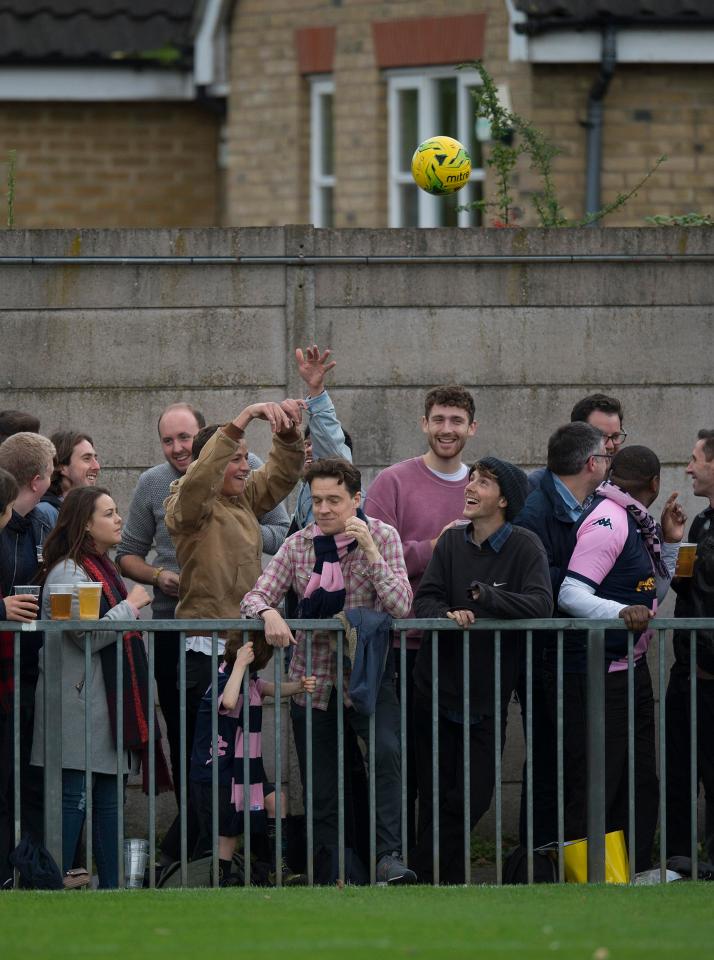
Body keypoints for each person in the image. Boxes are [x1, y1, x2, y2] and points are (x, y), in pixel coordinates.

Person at [241, 457, 415, 884]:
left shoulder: (383, 536)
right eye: (316, 500)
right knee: (321, 783)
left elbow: (401, 605)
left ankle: (387, 858)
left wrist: (371, 552)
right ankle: (333, 868)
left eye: (334, 500)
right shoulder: (298, 544)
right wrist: (268, 612)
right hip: (311, 679)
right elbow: (254, 595)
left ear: (356, 500)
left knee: (386, 759)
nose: (324, 509)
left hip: (369, 677)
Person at [116, 401, 290, 821]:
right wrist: (160, 576)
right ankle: (199, 846)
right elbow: (128, 553)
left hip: (238, 642)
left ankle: (241, 850)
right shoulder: (168, 489)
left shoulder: (239, 488)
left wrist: (288, 435)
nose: (177, 447)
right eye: (168, 440)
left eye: (186, 438)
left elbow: (283, 505)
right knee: (199, 752)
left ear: (201, 441)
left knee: (242, 753)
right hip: (190, 637)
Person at [162, 399, 304, 863]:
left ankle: (233, 860)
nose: (246, 466)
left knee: (241, 766)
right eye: (237, 458)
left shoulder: (242, 499)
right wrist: (241, 419)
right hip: (203, 657)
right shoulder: (187, 506)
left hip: (241, 656)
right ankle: (199, 859)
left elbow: (284, 476)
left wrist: (285, 433)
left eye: (247, 457)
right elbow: (198, 481)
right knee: (208, 769)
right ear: (216, 461)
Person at [411, 457, 552, 884]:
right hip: (434, 690)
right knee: (434, 796)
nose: (471, 486)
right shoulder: (452, 543)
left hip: (487, 696)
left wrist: (485, 597)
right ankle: (442, 886)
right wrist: (449, 613)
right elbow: (426, 600)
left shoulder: (526, 546)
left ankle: (421, 870)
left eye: (484, 482)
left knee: (473, 797)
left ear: (504, 499)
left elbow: (541, 605)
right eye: (472, 479)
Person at [31, 486, 169, 888]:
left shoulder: (103, 568)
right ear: (86, 525)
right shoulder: (68, 572)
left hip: (107, 705)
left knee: (110, 800)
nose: (119, 519)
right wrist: (132, 605)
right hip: (77, 705)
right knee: (73, 799)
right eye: (109, 513)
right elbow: (84, 636)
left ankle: (112, 889)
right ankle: (49, 884)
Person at [558, 446, 685, 870]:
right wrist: (618, 613)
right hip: (600, 674)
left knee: (639, 781)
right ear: (655, 484)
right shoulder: (610, 521)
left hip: (629, 669)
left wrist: (669, 544)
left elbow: (651, 598)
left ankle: (631, 872)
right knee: (600, 781)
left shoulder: (635, 522)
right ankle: (586, 878)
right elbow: (571, 593)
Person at [364, 384, 477, 846]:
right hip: (398, 647)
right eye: (438, 419)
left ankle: (437, 865)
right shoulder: (392, 481)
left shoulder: (483, 486)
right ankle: (395, 860)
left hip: (457, 646)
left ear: (472, 428)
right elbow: (363, 553)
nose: (446, 429)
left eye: (456, 421)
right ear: (424, 424)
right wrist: (434, 548)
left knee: (447, 768)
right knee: (399, 765)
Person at [513, 422, 610, 846]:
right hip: (547, 657)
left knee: (571, 759)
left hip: (567, 654)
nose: (609, 463)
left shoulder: (587, 505)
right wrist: (587, 580)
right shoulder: (537, 511)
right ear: (592, 463)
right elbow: (537, 582)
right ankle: (540, 856)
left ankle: (564, 853)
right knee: (551, 762)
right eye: (606, 456)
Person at [189, 633, 316, 886]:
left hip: (244, 768)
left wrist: (299, 687)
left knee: (276, 801)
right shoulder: (224, 679)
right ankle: (222, 878)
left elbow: (270, 688)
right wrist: (239, 664)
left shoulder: (251, 682)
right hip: (217, 770)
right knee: (228, 831)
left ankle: (277, 868)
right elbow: (229, 700)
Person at [0, 431, 55, 878]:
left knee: (27, 778)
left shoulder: (43, 524)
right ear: (38, 479)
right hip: (6, 672)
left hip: (32, 672)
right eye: (53, 471)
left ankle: (27, 868)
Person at [666, 429, 714, 860]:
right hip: (687, 670)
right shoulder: (702, 521)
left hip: (708, 673)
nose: (688, 468)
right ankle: (682, 859)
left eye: (696, 459)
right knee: (680, 768)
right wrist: (676, 541)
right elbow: (687, 588)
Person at [291, 344, 355, 531]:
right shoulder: (305, 489)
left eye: (315, 445)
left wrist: (316, 391)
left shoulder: (342, 477)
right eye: (307, 444)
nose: (324, 509)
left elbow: (330, 445)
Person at [528, 392, 626, 492]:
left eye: (615, 436)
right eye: (600, 436)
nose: (610, 445)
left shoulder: (629, 486)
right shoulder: (540, 483)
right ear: (577, 434)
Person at [34, 431, 101, 527]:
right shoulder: (44, 513)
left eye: (96, 459)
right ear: (61, 466)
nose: (97, 466)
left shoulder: (85, 509)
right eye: (87, 458)